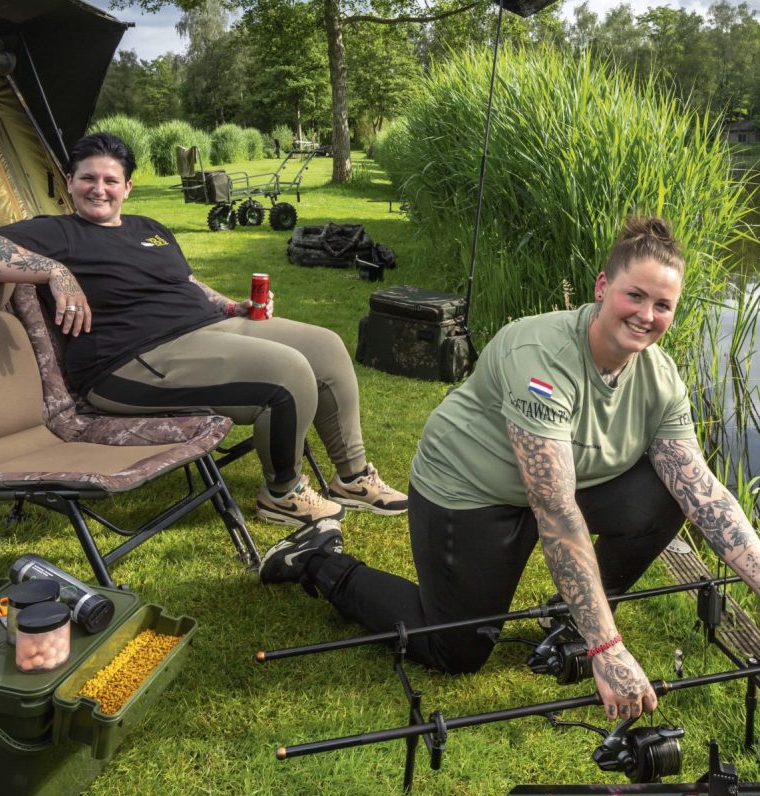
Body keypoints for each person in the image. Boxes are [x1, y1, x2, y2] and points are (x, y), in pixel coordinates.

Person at [260, 215, 760, 722]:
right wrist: (607, 648)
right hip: (471, 488)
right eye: (635, 296)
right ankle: (318, 560)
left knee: (668, 494)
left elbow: (705, 495)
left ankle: (571, 617)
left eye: (663, 306)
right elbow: (557, 511)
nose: (646, 315)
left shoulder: (661, 378)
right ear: (603, 287)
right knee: (455, 651)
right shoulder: (542, 358)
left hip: (559, 482)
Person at [0, 131, 406, 528]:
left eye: (110, 180)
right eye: (87, 177)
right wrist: (53, 271)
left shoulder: (150, 227)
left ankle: (353, 477)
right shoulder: (57, 232)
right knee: (287, 374)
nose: (98, 189)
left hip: (204, 327)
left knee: (325, 346)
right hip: (128, 362)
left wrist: (228, 304)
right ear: (69, 183)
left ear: (128, 187)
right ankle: (283, 494)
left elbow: (183, 281)